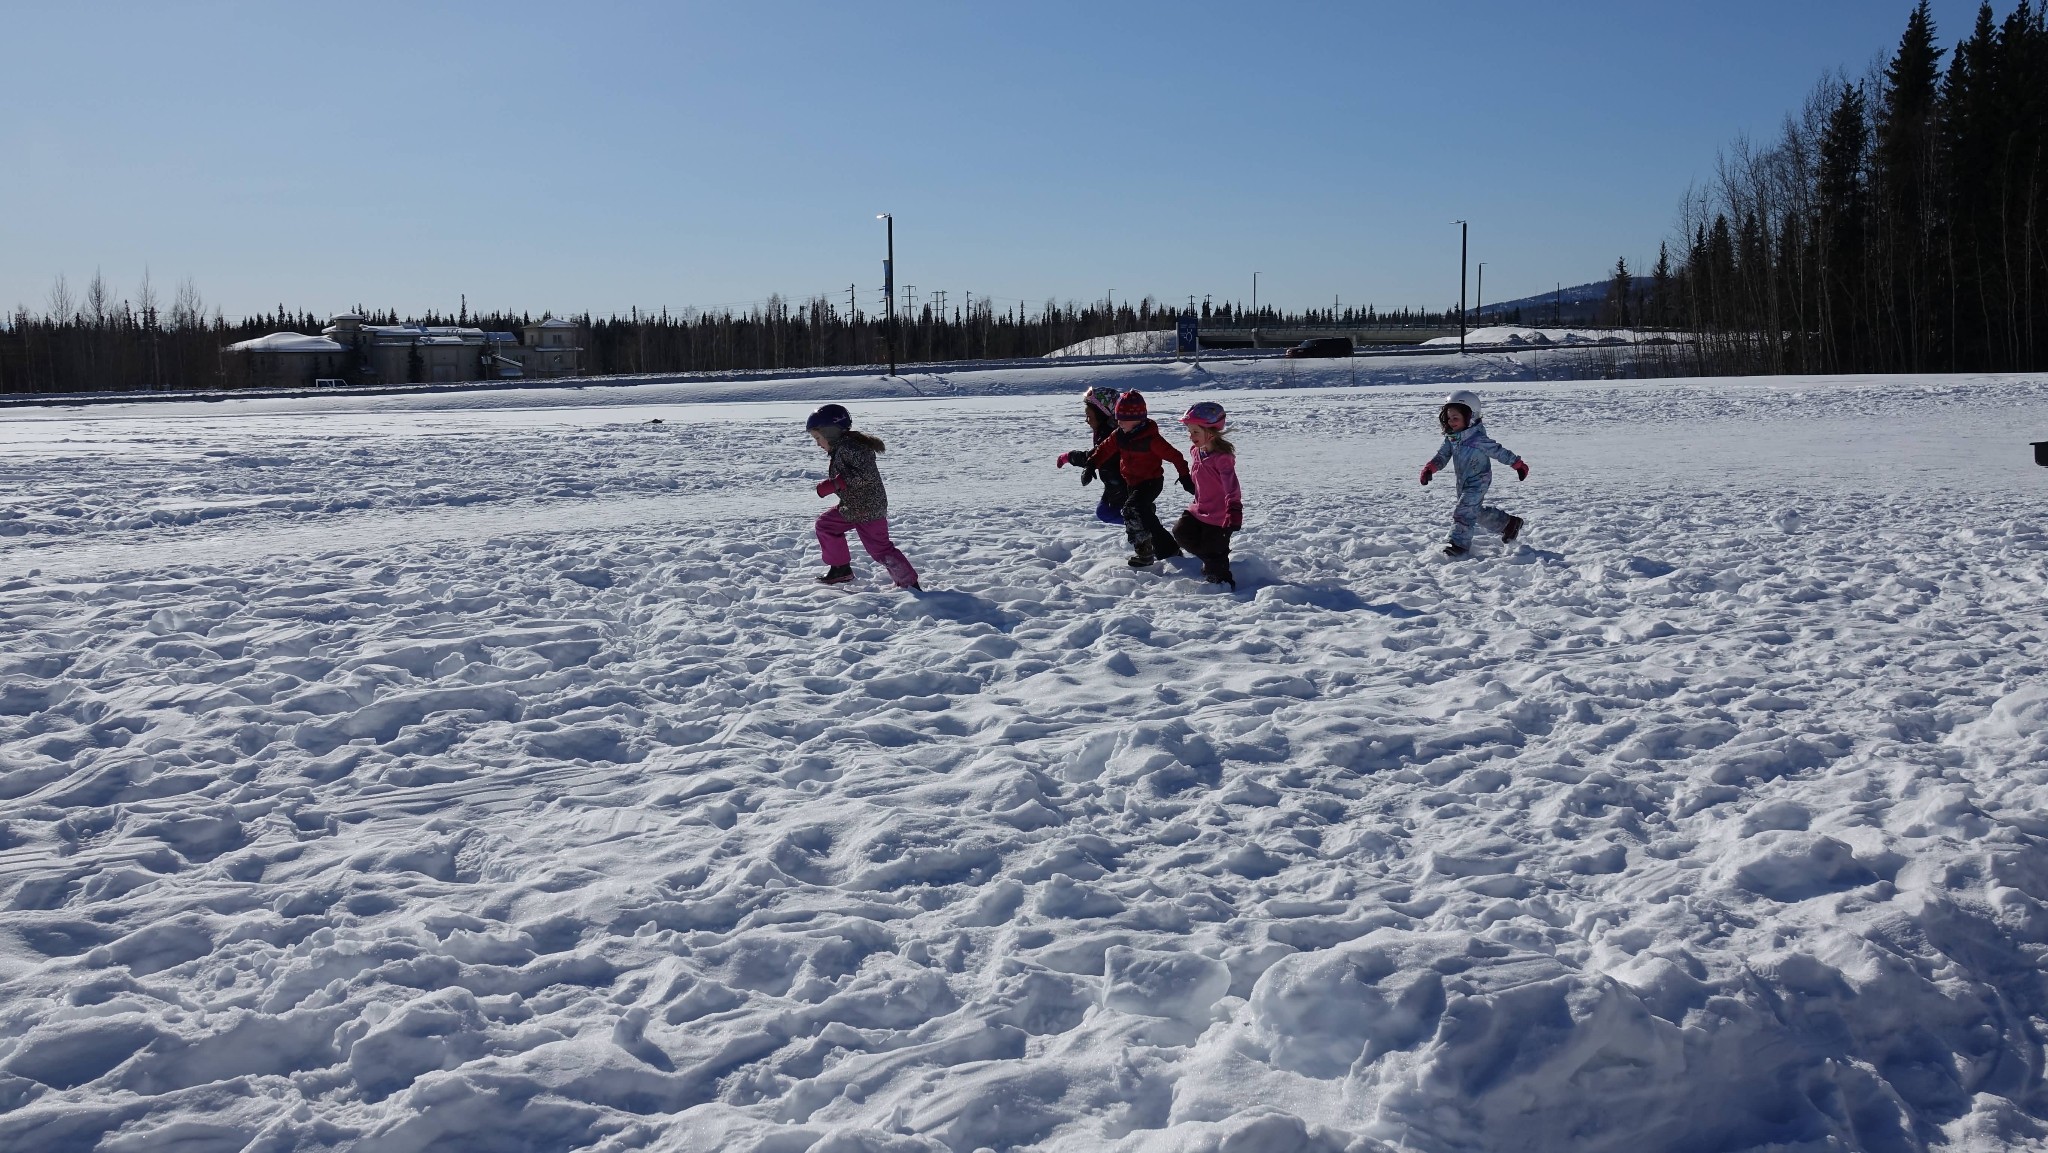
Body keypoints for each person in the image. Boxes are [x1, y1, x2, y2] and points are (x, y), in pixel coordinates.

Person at [1059, 390, 1190, 567]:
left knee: (1131, 510)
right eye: (1117, 417)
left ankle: (1144, 553)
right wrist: (1091, 465)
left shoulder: (1151, 439)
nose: (1118, 422)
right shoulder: (1119, 435)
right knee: (1144, 517)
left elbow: (1176, 456)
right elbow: (1103, 450)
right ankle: (1169, 550)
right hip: (1131, 482)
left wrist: (1185, 477)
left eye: (1122, 419)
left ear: (1138, 419)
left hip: (1150, 482)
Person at [808, 404, 920, 589]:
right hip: (853, 507)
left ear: (830, 433)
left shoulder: (852, 448)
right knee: (826, 525)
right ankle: (840, 569)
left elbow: (866, 475)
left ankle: (909, 583)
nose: (818, 443)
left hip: (869, 508)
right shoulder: (842, 448)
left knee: (881, 549)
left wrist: (836, 483)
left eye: (818, 438)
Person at [1419, 389, 1528, 558]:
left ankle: (1458, 544)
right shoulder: (1452, 438)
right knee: (1474, 512)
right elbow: (1442, 455)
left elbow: (1498, 451)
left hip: (1479, 480)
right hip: (1463, 481)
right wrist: (1430, 468)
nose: (1451, 421)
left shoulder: (1477, 438)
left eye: (1456, 418)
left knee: (1463, 511)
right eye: (1449, 418)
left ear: (1470, 416)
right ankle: (1509, 524)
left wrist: (1518, 464)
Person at [1170, 401, 1244, 588]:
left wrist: (1234, 508)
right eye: (1189, 431)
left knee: (1216, 555)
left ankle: (1223, 584)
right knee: (1181, 532)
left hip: (1221, 516)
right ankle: (1212, 559)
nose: (1190, 436)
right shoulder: (1196, 452)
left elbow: (1231, 484)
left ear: (1210, 433)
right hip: (1199, 509)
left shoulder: (1222, 459)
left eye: (1195, 432)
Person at [1066, 385, 1129, 524]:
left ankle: (1144, 527)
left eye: (1089, 416)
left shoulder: (1110, 435)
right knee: (1105, 512)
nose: (1086, 420)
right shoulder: (1105, 431)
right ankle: (1142, 526)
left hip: (1122, 485)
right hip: (1114, 483)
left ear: (1102, 415)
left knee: (1105, 512)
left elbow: (1095, 455)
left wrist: (1069, 457)